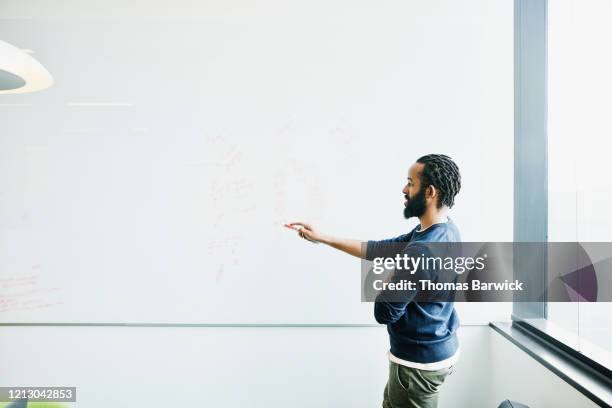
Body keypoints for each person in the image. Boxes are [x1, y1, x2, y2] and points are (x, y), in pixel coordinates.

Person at [290, 154, 462, 408]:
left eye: (410, 183)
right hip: (438, 347)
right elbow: (381, 249)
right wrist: (323, 238)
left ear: (430, 192)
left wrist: (393, 271)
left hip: (416, 364)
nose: (404, 189)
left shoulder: (422, 251)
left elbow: (384, 312)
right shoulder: (445, 229)